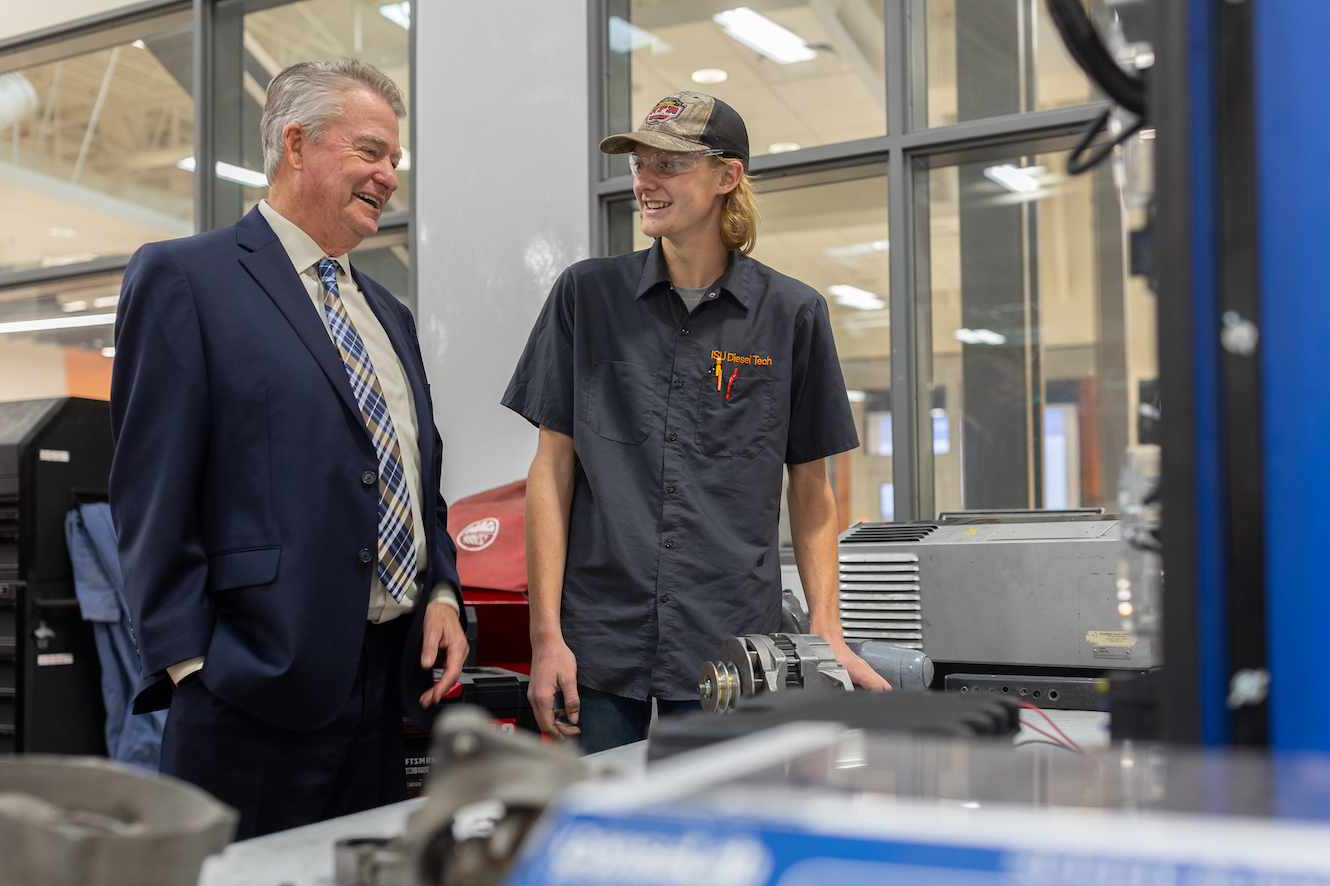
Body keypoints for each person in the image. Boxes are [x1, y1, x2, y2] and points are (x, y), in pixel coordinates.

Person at [110, 59, 467, 838]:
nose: (388, 176)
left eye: (395, 161)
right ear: (297, 145)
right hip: (249, 692)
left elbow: (416, 478)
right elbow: (148, 491)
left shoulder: (390, 315)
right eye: (371, 152)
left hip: (382, 686)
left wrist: (442, 590)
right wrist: (193, 668)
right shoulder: (185, 279)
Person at [502, 91, 890, 753]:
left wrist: (827, 626)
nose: (645, 182)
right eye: (640, 164)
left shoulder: (793, 314)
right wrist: (546, 638)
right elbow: (551, 471)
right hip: (599, 641)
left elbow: (811, 489)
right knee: (602, 838)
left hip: (732, 646)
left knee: (719, 835)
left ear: (726, 177)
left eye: (669, 166)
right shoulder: (585, 296)